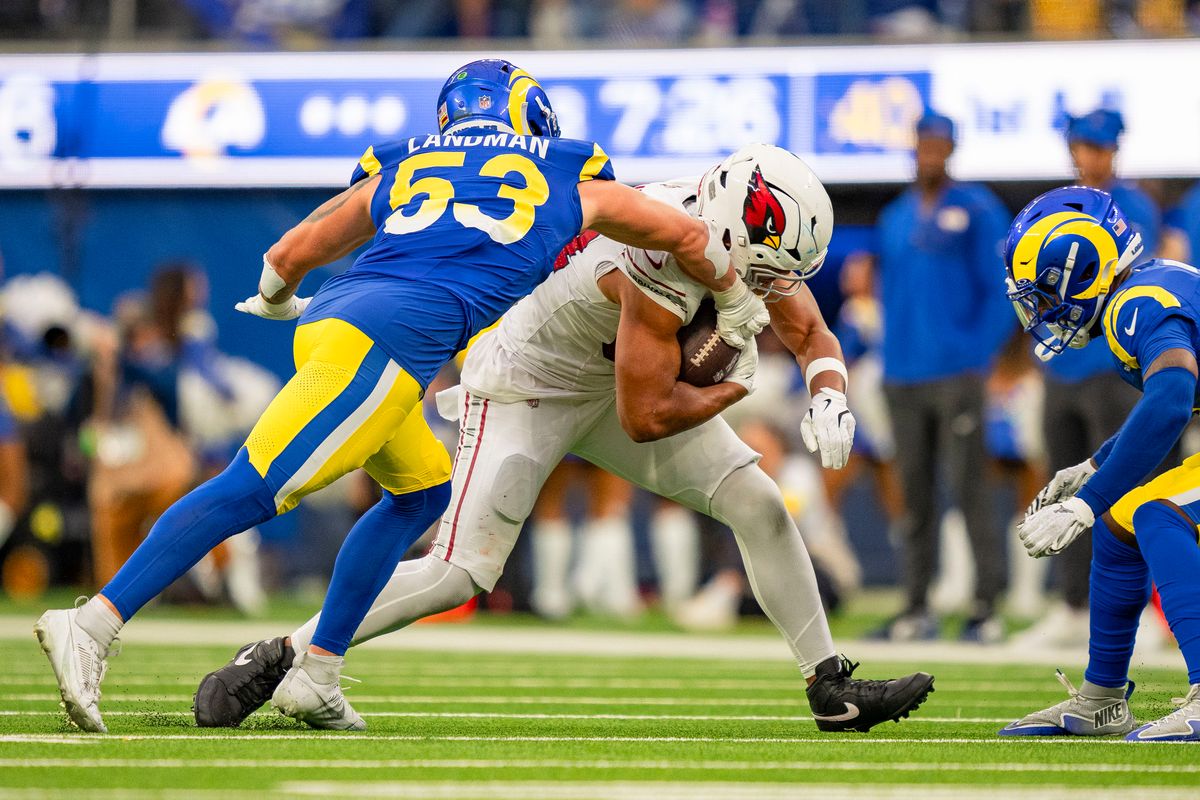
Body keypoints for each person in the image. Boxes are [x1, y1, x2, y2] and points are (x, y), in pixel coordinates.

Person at [34, 58, 767, 734]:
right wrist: (733, 300)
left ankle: (317, 670)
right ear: (533, 120)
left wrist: (278, 301)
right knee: (254, 488)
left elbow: (290, 253)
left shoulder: (402, 161)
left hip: (342, 322)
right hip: (387, 343)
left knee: (420, 496)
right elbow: (682, 230)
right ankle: (93, 623)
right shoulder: (571, 173)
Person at [194, 145, 934, 734]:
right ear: (733, 227)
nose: (768, 286)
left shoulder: (738, 229)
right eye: (762, 271)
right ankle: (284, 652)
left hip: (615, 379)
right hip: (531, 385)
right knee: (459, 572)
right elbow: (646, 414)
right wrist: (737, 386)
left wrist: (830, 392)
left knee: (759, 501)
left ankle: (827, 685)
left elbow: (806, 326)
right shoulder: (656, 251)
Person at [999, 186, 1200, 742]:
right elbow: (1168, 400)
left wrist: (1085, 503)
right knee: (1122, 522)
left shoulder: (1135, 303)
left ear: (1084, 269)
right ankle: (1102, 700)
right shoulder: (1144, 284)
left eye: (1043, 292)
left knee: (1159, 513)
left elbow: (1170, 402)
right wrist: (1095, 467)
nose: (1039, 309)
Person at [1016, 109, 1160, 647]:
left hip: (1113, 366)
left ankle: (1140, 607)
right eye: (1081, 146)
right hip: (1064, 366)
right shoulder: (1057, 206)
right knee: (1064, 479)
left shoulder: (1134, 207)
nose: (1088, 156)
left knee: (1125, 481)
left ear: (1114, 150)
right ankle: (1071, 604)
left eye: (1097, 147)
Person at [867, 111, 1013, 641]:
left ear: (950, 148)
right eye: (922, 143)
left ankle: (985, 607)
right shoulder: (896, 216)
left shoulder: (977, 208)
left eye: (938, 144)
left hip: (957, 373)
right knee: (914, 495)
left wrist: (977, 355)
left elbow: (1004, 288)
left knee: (970, 488)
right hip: (902, 372)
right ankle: (914, 608)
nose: (929, 152)